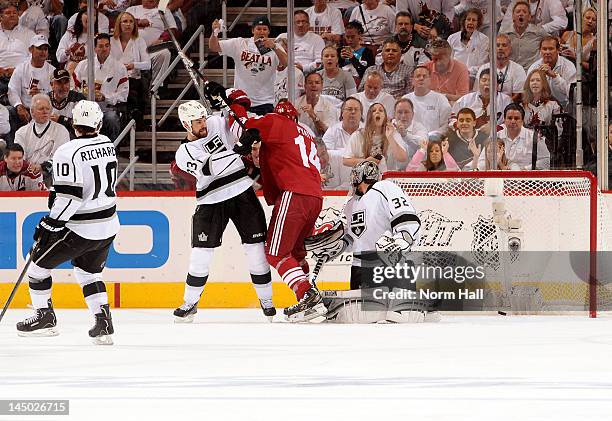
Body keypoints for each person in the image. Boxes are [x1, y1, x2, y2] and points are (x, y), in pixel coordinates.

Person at [206, 82, 326, 322]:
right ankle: (306, 298)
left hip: (295, 193)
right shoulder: (306, 135)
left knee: (274, 252)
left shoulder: (275, 121)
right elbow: (277, 164)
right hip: (315, 196)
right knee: (296, 253)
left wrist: (234, 104)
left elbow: (247, 126)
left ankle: (307, 296)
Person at [16, 100, 118, 345]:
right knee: (88, 272)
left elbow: (69, 197)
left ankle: (44, 317)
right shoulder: (108, 144)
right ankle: (103, 322)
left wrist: (50, 223)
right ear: (99, 123)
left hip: (80, 228)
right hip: (108, 224)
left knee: (36, 265)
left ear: (73, 123)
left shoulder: (67, 150)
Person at [172, 99, 275, 322]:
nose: (203, 124)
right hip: (211, 201)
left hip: (242, 192)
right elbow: (211, 169)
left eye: (202, 118)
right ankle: (190, 302)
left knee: (256, 250)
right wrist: (238, 150)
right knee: (201, 255)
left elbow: (238, 117)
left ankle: (267, 301)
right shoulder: (184, 153)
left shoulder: (215, 123)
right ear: (186, 125)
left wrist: (222, 97)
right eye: (197, 122)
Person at [304, 160, 431, 323]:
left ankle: (416, 308)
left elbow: (406, 218)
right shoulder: (350, 204)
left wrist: (401, 240)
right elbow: (352, 238)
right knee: (362, 319)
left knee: (398, 317)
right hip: (361, 270)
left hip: (390, 265)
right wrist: (334, 249)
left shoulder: (385, 188)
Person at [210, 16, 287, 115]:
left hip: (265, 102)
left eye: (265, 29)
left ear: (269, 31)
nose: (261, 32)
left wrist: (274, 46)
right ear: (252, 30)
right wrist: (214, 32)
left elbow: (286, 63)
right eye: (258, 29)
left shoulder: (275, 47)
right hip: (242, 100)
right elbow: (214, 47)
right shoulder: (240, 43)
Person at [73, 33, 129, 141]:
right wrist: (82, 93)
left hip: (106, 109)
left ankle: (112, 149)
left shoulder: (120, 67)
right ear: (94, 48)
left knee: (111, 118)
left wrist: (105, 97)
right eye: (101, 46)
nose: (104, 49)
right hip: (85, 108)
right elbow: (73, 87)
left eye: (107, 46)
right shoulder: (83, 65)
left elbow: (124, 94)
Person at [110, 11, 151, 128]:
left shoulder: (139, 40)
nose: (128, 24)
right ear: (119, 24)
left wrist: (134, 65)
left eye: (131, 21)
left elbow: (147, 64)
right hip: (114, 79)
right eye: (125, 21)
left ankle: (131, 121)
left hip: (133, 78)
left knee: (131, 91)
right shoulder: (111, 41)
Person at [342, 102, 408, 171]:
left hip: (387, 179)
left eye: (381, 110)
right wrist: (366, 162)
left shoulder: (393, 134)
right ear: (369, 117)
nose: (377, 112)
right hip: (364, 179)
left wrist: (390, 137)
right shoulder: (358, 135)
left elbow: (402, 158)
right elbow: (346, 161)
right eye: (374, 111)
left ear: (385, 117)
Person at [14, 93, 70, 173]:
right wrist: (28, 168)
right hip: (26, 175)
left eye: (48, 109)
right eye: (41, 109)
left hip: (52, 176)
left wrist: (42, 167)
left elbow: (61, 158)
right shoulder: (21, 132)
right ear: (32, 111)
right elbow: (18, 157)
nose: (45, 112)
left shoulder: (61, 130)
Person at [8, 34, 55, 127]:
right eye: (39, 48)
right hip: (24, 109)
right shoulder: (21, 69)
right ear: (31, 50)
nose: (43, 52)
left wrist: (41, 97)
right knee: (10, 111)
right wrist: (18, 106)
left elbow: (54, 96)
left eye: (45, 49)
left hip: (45, 110)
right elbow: (12, 90)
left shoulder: (53, 71)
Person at [474, 34, 527, 103]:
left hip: (509, 107)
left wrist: (503, 104)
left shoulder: (518, 69)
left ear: (510, 49)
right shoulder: (483, 68)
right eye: (497, 45)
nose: (500, 48)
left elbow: (519, 95)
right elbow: (478, 92)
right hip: (487, 105)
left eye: (504, 45)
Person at [526, 36, 576, 107]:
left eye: (551, 49)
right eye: (544, 49)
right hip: (541, 107)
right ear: (540, 50)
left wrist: (555, 76)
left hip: (565, 108)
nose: (547, 52)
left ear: (558, 50)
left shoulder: (568, 66)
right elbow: (528, 92)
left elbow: (573, 94)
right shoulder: (534, 67)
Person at [497, 103, 550, 169]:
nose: (513, 121)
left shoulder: (534, 137)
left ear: (522, 121)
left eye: (516, 118)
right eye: (509, 118)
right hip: (500, 177)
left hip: (527, 177)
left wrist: (525, 169)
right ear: (504, 120)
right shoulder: (496, 137)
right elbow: (482, 161)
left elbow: (546, 161)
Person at [404, 66, 451, 139]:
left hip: (434, 142)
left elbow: (446, 125)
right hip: (410, 140)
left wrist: (431, 136)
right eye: (418, 76)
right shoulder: (405, 99)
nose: (421, 78)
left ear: (430, 80)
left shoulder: (440, 99)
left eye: (424, 76)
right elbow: (400, 122)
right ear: (412, 80)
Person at [499, 0, 547, 71]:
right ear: (513, 16)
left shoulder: (539, 32)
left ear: (529, 17)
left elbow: (551, 43)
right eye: (518, 12)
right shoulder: (504, 32)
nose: (521, 14)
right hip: (510, 72)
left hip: (532, 72)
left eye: (524, 12)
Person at [447, 8, 489, 81]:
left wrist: (466, 71)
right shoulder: (452, 38)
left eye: (474, 20)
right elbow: (447, 60)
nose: (470, 22)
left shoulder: (484, 40)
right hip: (453, 75)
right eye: (468, 19)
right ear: (464, 21)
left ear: (478, 23)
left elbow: (482, 65)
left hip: (473, 77)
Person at [424, 38, 470, 104]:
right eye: (434, 58)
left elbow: (463, 98)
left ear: (449, 56)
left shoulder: (461, 69)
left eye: (440, 58)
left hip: (451, 107)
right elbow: (417, 92)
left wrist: (443, 96)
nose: (436, 62)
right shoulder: (425, 67)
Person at [296, 72, 340, 137]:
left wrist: (314, 116)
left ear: (322, 86)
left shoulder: (329, 107)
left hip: (321, 143)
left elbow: (328, 134)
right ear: (305, 86)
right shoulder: (296, 104)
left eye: (317, 83)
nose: (313, 85)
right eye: (310, 83)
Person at [56, 9, 95, 74]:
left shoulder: (96, 37)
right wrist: (66, 53)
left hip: (89, 71)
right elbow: (59, 57)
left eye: (94, 15)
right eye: (86, 14)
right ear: (80, 18)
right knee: (72, 65)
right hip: (70, 70)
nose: (90, 17)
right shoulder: (70, 34)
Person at [48, 69, 85, 137]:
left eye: (66, 82)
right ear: (51, 84)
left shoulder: (79, 98)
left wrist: (61, 120)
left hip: (73, 139)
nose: (64, 86)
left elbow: (84, 125)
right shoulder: (45, 100)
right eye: (59, 83)